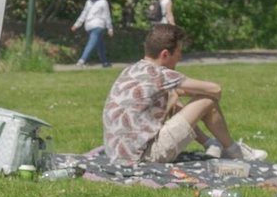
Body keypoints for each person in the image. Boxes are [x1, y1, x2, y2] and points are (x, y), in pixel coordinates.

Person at [102, 23, 267, 164]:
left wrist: (175, 94)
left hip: (118, 153)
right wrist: (182, 94)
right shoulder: (160, 73)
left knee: (172, 99)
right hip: (144, 156)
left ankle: (211, 144)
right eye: (179, 52)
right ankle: (234, 151)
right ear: (165, 54)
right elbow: (215, 89)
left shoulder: (132, 70)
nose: (180, 56)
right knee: (206, 100)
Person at [72, 0, 114, 67]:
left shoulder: (89, 2)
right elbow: (107, 15)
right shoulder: (103, 2)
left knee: (100, 44)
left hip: (88, 25)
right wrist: (110, 28)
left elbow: (84, 14)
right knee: (91, 43)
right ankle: (82, 60)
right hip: (98, 25)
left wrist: (76, 25)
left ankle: (104, 62)